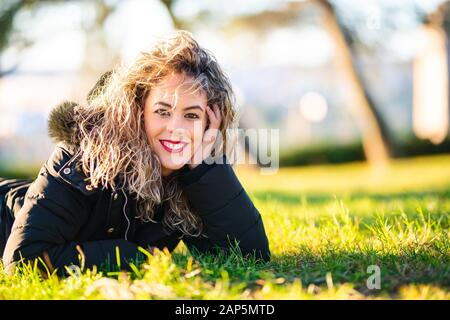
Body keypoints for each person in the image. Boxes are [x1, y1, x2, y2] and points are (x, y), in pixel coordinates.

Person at [0, 31, 270, 277]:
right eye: (162, 111)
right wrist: (136, 256)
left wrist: (207, 169)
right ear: (138, 112)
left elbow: (250, 256)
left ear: (209, 122)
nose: (175, 128)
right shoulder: (83, 156)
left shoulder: (192, 178)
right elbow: (24, 261)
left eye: (191, 115)